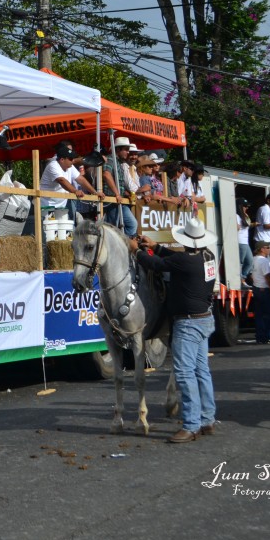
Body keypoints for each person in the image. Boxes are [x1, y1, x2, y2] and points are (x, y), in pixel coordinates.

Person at [129, 219, 217, 443]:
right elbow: (172, 259)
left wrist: (137, 251)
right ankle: (207, 419)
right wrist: (155, 246)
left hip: (187, 323)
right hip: (204, 318)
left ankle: (191, 425)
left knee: (185, 373)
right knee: (201, 371)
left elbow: (156, 265)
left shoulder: (183, 261)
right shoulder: (208, 257)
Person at [102, 136, 137, 237]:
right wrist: (117, 193)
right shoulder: (110, 159)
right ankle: (121, 245)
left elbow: (119, 184)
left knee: (118, 227)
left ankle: (121, 245)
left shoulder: (120, 163)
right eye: (125, 150)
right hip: (111, 201)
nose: (128, 152)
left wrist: (126, 193)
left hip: (117, 201)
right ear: (118, 149)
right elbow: (106, 175)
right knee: (127, 225)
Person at [251, 241, 270, 344]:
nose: (269, 249)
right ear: (262, 249)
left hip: (256, 288)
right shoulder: (264, 261)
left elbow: (250, 274)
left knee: (259, 315)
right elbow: (267, 276)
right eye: (268, 247)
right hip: (265, 289)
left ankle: (260, 337)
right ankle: (269, 336)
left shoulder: (253, 260)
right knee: (269, 314)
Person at [235, 198, 255, 283]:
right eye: (245, 206)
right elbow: (237, 227)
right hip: (240, 241)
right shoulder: (236, 215)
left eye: (247, 206)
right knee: (240, 262)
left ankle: (242, 278)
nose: (246, 208)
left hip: (245, 242)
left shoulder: (244, 215)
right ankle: (238, 280)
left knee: (250, 261)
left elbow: (246, 226)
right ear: (239, 206)